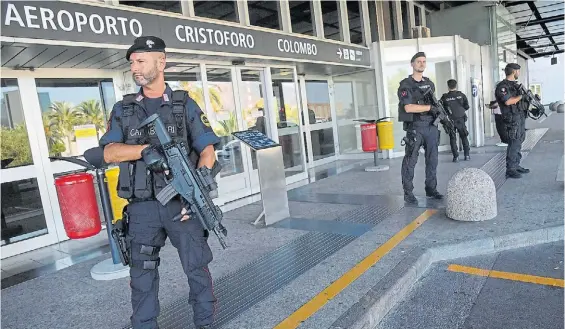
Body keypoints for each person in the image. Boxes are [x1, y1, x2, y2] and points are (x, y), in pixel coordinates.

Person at [99, 36, 220, 329]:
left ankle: (205, 324)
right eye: (132, 63)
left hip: (182, 206)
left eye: (141, 61)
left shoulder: (183, 105)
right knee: (142, 279)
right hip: (141, 210)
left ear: (161, 62)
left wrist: (197, 193)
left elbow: (208, 151)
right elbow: (109, 152)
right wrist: (143, 150)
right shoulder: (123, 109)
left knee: (197, 271)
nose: (135, 68)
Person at [397, 52, 443, 203]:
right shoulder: (406, 84)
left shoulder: (429, 83)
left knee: (432, 160)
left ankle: (431, 189)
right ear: (412, 64)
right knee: (411, 161)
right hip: (416, 127)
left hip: (431, 126)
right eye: (418, 61)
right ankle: (408, 193)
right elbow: (408, 108)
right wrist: (429, 107)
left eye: (424, 61)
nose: (422, 64)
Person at [494, 63, 530, 179]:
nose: (519, 73)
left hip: (519, 116)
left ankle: (516, 164)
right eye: (518, 71)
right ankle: (510, 169)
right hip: (511, 118)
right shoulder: (502, 87)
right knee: (514, 142)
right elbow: (508, 102)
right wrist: (521, 96)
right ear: (514, 71)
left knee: (519, 140)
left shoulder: (514, 86)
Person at [440, 79, 471, 162]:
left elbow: (441, 109)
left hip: (450, 120)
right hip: (460, 119)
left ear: (448, 86)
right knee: (464, 137)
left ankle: (455, 157)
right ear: (456, 85)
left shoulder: (444, 97)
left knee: (452, 138)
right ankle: (467, 155)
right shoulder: (461, 95)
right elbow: (467, 106)